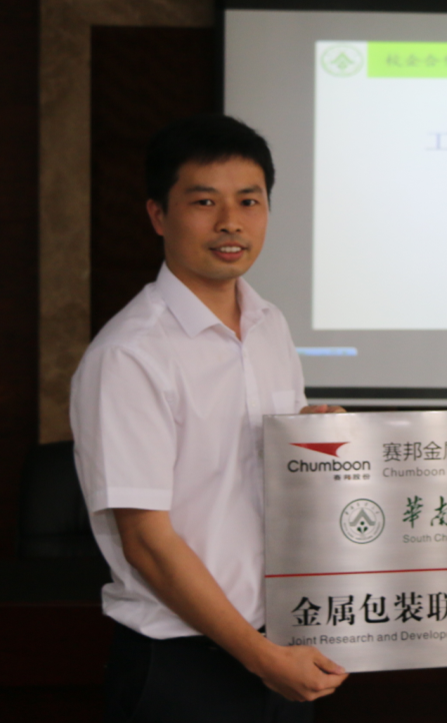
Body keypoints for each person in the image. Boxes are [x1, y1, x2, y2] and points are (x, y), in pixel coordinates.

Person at [71, 114, 347, 723]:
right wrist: (261, 658)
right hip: (184, 664)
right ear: (158, 215)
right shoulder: (130, 355)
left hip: (280, 642)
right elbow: (147, 542)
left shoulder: (269, 324)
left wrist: (309, 432)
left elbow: (250, 466)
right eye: (204, 202)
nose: (231, 222)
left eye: (249, 200)